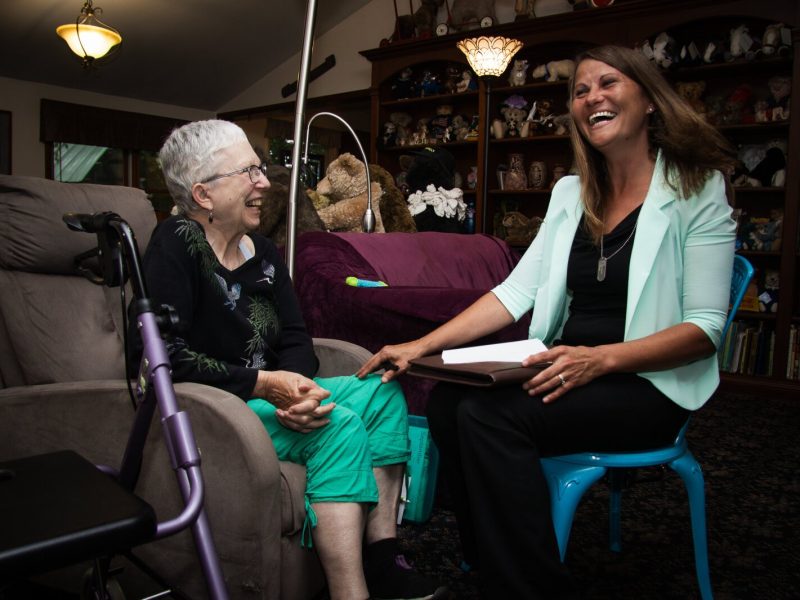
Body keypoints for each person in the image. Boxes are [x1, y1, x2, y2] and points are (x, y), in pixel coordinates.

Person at [357, 45, 737, 599]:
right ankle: (489, 560)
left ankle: (528, 587)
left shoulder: (696, 189)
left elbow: (705, 331)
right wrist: (418, 345)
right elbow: (515, 292)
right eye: (581, 90)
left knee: (490, 419)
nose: (592, 98)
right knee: (446, 403)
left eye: (608, 84)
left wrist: (600, 359)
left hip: (647, 384)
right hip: (566, 364)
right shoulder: (568, 193)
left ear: (649, 100)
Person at [136, 119, 447, 600]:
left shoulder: (261, 251)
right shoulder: (174, 245)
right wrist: (266, 385)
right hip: (213, 406)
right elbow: (167, 360)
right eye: (248, 172)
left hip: (270, 398)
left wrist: (295, 390)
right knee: (338, 425)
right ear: (202, 194)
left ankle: (381, 558)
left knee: (381, 388)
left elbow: (297, 338)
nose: (264, 182)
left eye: (259, 169)